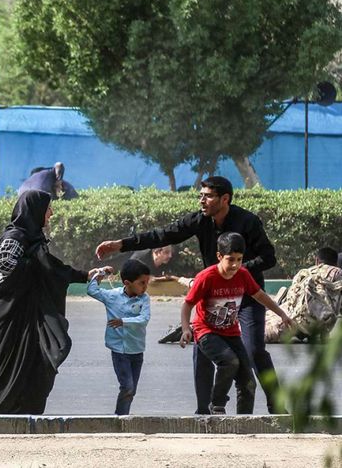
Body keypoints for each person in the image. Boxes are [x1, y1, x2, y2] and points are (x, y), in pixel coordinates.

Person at [95, 176, 285, 414]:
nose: (201, 200)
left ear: (224, 199)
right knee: (203, 348)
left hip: (247, 295)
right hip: (213, 297)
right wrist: (121, 244)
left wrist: (238, 271)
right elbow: (163, 235)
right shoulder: (200, 220)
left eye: (207, 196)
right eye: (200, 195)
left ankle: (277, 408)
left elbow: (269, 257)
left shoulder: (248, 222)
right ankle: (204, 411)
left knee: (254, 350)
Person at [0, 190, 91, 414]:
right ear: (35, 210)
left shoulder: (34, 239)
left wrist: (83, 275)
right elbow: (0, 275)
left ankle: (24, 414)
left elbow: (50, 267)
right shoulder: (15, 239)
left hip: (23, 313)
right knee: (7, 369)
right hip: (5, 314)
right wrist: (35, 266)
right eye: (48, 208)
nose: (51, 213)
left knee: (34, 365)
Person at [179, 232, 292, 415]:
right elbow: (187, 305)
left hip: (231, 333)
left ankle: (243, 422)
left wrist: (282, 314)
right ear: (219, 256)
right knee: (229, 361)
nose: (234, 265)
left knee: (248, 382)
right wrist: (185, 329)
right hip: (206, 331)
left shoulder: (243, 275)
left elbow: (259, 295)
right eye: (230, 260)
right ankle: (216, 404)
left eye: (239, 260)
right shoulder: (207, 277)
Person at [87, 260, 151, 415]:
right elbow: (92, 290)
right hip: (119, 351)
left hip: (137, 350)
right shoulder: (112, 296)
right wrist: (101, 273)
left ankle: (121, 415)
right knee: (127, 387)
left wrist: (123, 321)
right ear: (127, 283)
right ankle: (120, 418)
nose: (145, 286)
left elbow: (144, 319)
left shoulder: (144, 298)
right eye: (142, 283)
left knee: (131, 390)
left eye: (147, 282)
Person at [265, 247, 342, 343]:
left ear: (317, 260)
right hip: (310, 323)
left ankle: (278, 302)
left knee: (258, 330)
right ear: (336, 263)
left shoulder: (305, 272)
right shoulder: (338, 273)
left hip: (291, 318)